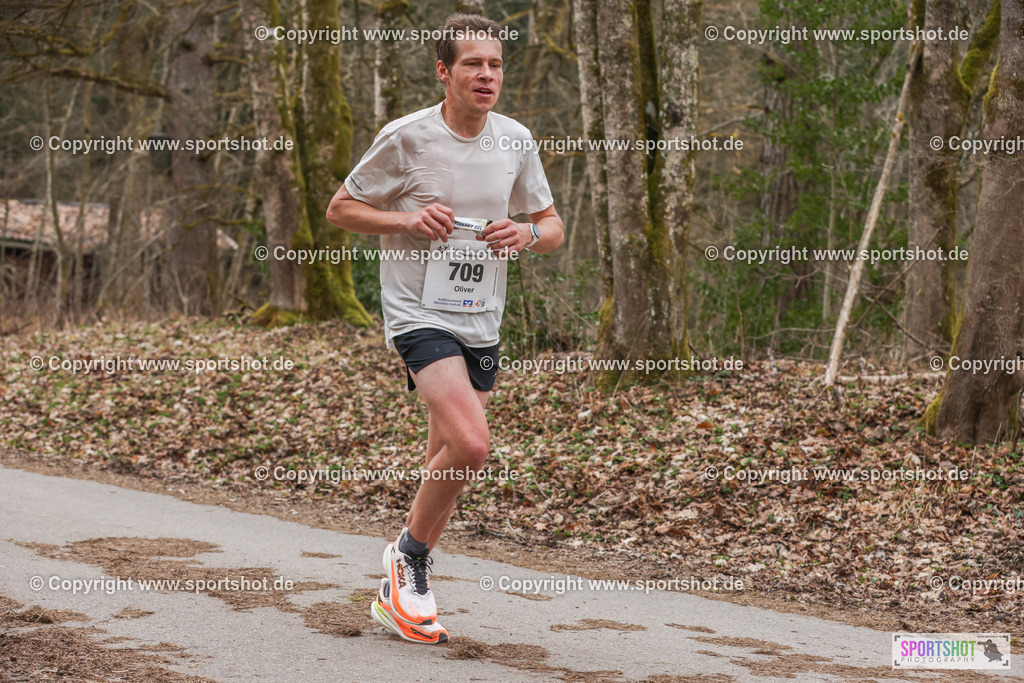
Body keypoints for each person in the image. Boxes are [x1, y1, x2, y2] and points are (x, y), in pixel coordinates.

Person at [325, 13, 563, 644]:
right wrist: (405, 222)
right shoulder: (407, 137)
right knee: (474, 445)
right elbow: (341, 209)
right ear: (444, 72)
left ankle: (397, 582)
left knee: (448, 455)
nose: (487, 76)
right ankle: (410, 559)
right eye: (472, 65)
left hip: (482, 314)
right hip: (417, 312)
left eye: (496, 65)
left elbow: (552, 225)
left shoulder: (515, 139)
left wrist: (528, 233)